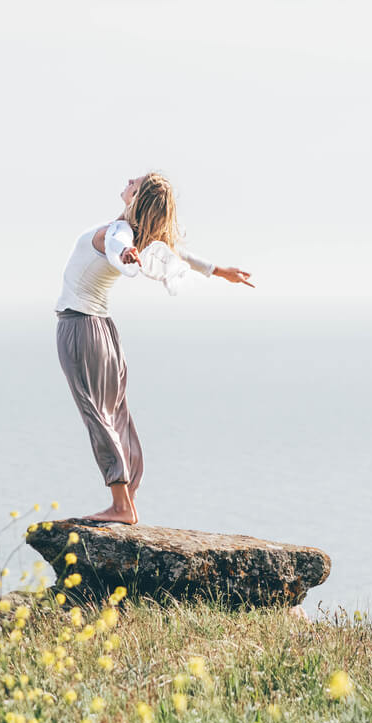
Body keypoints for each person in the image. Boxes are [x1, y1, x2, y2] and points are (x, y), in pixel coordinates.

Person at [53, 172, 254, 524]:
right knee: (115, 412)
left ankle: (120, 505)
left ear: (137, 196)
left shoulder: (120, 234)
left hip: (81, 327)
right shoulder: (136, 236)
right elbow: (176, 254)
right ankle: (127, 501)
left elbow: (118, 244)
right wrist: (219, 271)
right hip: (104, 329)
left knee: (97, 412)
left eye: (136, 181)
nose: (128, 179)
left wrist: (126, 253)